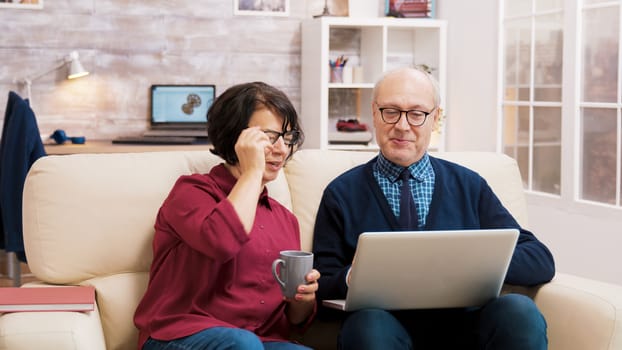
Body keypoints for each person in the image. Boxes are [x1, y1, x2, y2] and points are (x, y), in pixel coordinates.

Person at [312, 66, 556, 350]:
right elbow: (320, 282)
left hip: (466, 328)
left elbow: (540, 259)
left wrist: (475, 263)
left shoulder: (469, 185)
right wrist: (350, 277)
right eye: (391, 111)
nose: (402, 126)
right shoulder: (341, 193)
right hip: (383, 328)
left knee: (519, 310)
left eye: (417, 114)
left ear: (435, 118)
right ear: (374, 114)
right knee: (367, 326)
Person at [134, 81, 320, 350]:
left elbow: (292, 321)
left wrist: (303, 301)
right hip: (176, 336)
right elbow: (222, 242)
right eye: (267, 137)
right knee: (241, 344)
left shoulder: (285, 219)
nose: (281, 149)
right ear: (236, 138)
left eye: (287, 138)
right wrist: (252, 172)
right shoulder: (191, 192)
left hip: (259, 341)